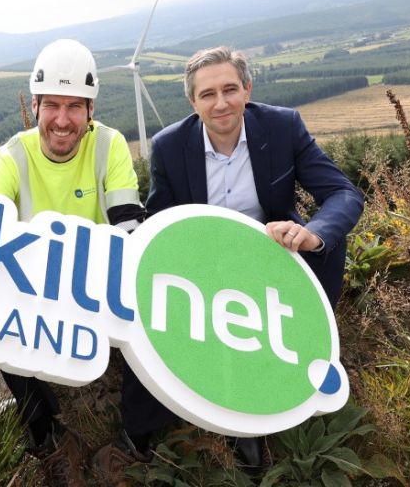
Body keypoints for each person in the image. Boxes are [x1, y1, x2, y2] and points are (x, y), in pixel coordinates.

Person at [0, 39, 153, 486]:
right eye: (51, 105)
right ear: (34, 105)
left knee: (147, 311)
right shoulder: (10, 157)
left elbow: (129, 227)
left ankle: (139, 440)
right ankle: (46, 436)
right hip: (33, 287)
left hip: (98, 284)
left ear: (91, 109)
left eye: (76, 106)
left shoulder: (109, 145)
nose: (63, 120)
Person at [147, 45, 364, 470]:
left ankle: (309, 358)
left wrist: (312, 234)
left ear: (248, 89)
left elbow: (342, 193)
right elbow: (161, 221)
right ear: (193, 103)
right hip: (208, 265)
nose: (221, 102)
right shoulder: (169, 147)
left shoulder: (282, 127)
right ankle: (240, 422)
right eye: (207, 94)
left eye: (230, 89)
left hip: (275, 254)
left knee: (330, 248)